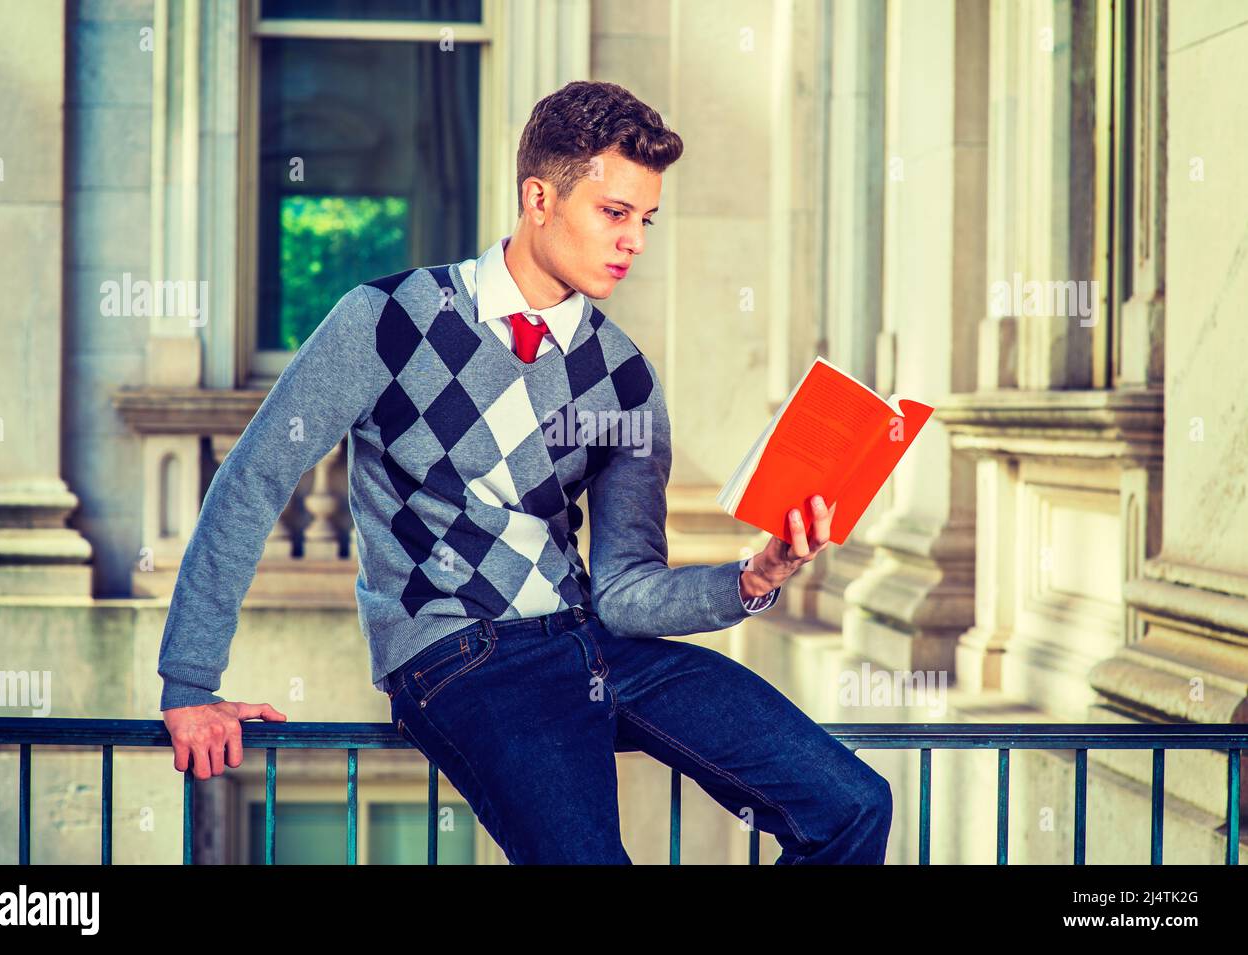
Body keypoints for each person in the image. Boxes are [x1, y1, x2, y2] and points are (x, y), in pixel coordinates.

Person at [159, 79, 892, 864]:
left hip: (598, 641)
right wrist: (190, 683)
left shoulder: (625, 377)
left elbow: (626, 589)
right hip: (460, 658)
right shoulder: (388, 321)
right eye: (615, 213)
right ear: (539, 197)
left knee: (850, 804)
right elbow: (252, 479)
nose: (635, 240)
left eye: (647, 219)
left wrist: (754, 574)